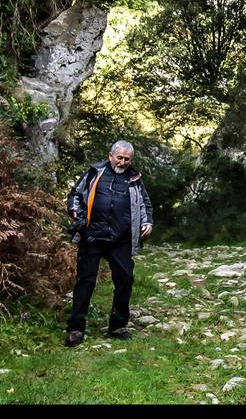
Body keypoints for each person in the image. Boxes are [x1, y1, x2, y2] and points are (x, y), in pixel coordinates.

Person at [64, 140, 153, 346]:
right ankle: (76, 328)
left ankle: (118, 326)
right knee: (85, 281)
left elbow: (146, 204)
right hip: (92, 236)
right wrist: (76, 213)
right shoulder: (95, 172)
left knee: (125, 280)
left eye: (127, 159)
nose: (122, 162)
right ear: (110, 155)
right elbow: (75, 195)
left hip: (121, 239)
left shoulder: (135, 178)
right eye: (119, 158)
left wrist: (147, 221)